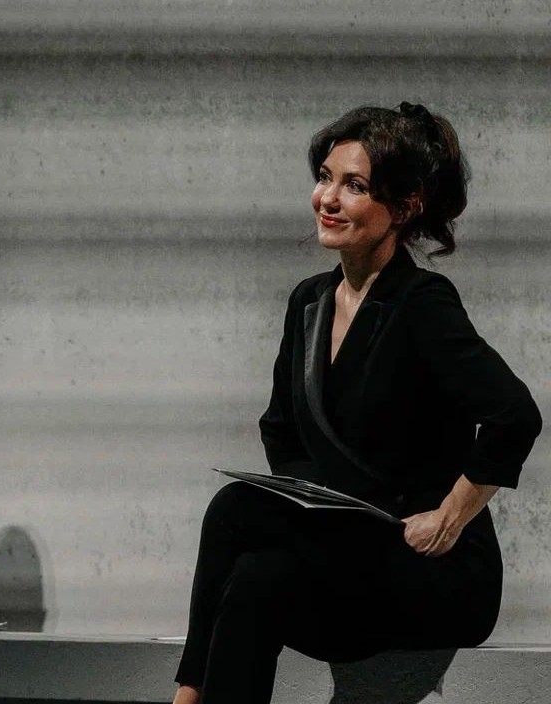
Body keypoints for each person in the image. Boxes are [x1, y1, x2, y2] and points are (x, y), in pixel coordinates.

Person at [171, 103, 542, 704]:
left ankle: (187, 695)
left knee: (235, 509)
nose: (328, 198)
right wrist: (323, 511)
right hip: (354, 556)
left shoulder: (421, 303)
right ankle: (194, 691)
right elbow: (280, 429)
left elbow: (515, 416)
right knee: (256, 576)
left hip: (434, 573)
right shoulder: (308, 302)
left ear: (405, 207)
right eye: (325, 177)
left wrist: (449, 518)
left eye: (355, 186)